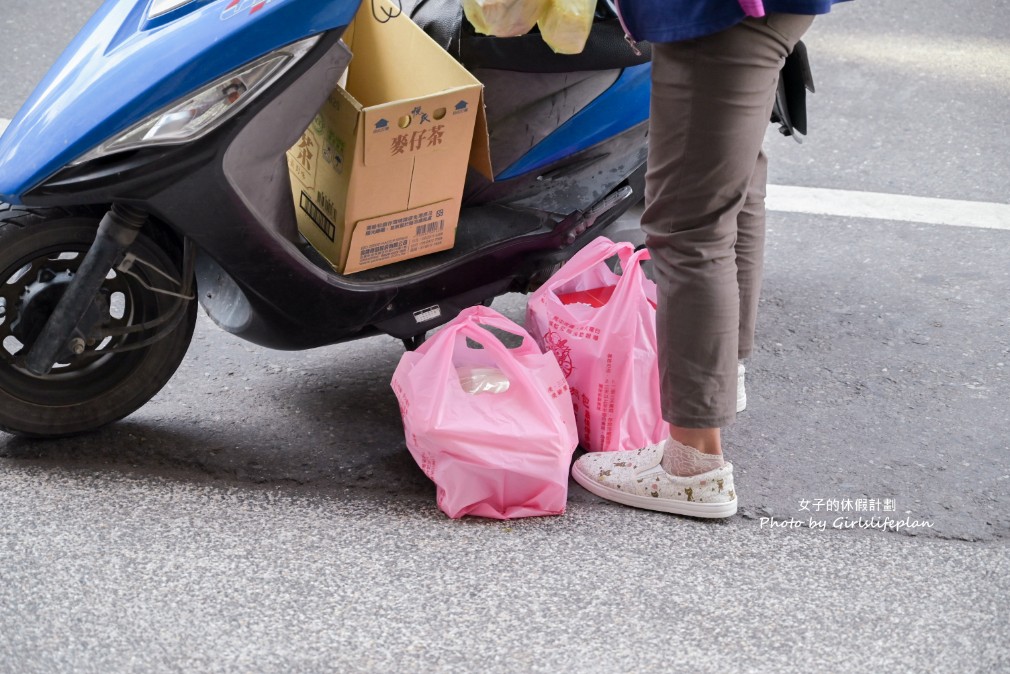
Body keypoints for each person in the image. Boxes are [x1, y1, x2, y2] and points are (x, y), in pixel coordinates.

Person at [570, 0, 849, 518]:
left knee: (688, 226)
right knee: (733, 188)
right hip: (765, 12)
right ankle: (723, 377)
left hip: (718, 15)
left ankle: (692, 464)